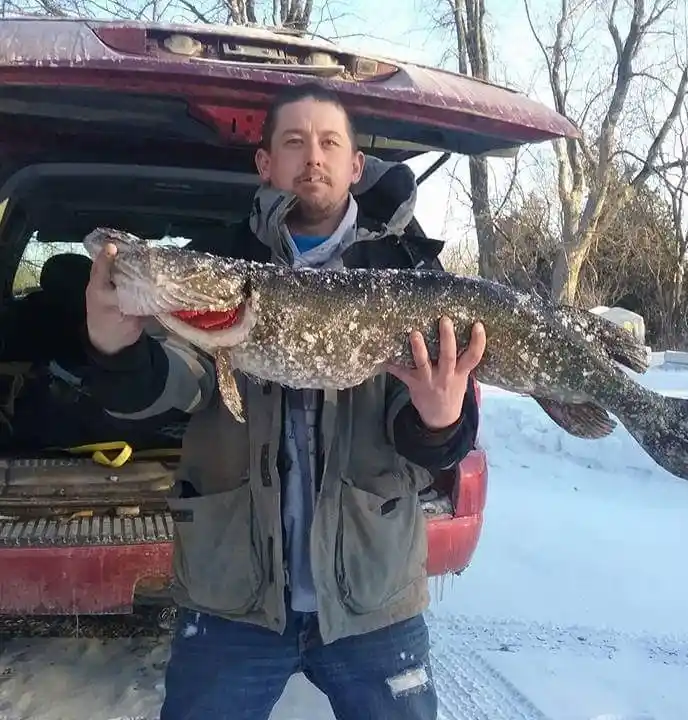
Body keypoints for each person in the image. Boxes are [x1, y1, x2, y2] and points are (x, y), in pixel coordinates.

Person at [84, 82, 486, 720]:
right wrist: (113, 347)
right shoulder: (222, 266)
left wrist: (440, 418)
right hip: (232, 601)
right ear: (265, 163)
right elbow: (171, 384)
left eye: (329, 142)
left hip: (371, 599)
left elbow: (436, 435)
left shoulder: (409, 271)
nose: (312, 157)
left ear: (356, 166)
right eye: (293, 142)